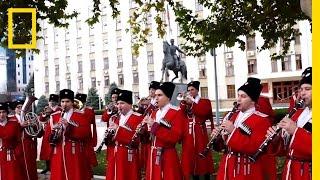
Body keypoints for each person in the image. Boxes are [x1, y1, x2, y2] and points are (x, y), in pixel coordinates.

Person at [212, 77, 271, 180]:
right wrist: (217, 138)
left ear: (252, 101)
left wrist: (233, 131)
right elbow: (224, 145)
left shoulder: (262, 120)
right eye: (238, 95)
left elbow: (255, 148)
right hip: (227, 165)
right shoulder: (231, 115)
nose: (238, 99)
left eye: (243, 96)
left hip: (245, 169)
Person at [267, 67, 312, 180]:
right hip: (291, 170)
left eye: (307, 89)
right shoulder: (298, 113)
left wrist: (295, 131)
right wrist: (276, 139)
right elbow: (287, 147)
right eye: (301, 89)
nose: (302, 93)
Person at [144, 82, 186, 180]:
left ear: (168, 97)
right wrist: (143, 131)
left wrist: (154, 126)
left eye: (160, 95)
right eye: (155, 95)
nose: (156, 98)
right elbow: (151, 135)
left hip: (167, 155)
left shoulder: (176, 112)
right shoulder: (154, 112)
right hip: (153, 154)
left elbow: (174, 137)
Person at [48, 89, 91, 180]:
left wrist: (68, 126)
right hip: (58, 152)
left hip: (74, 151)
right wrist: (54, 133)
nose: (64, 104)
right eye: (62, 101)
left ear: (72, 102)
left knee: (75, 175)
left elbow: (85, 133)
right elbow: (49, 138)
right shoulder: (55, 116)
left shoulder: (81, 115)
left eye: (67, 101)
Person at [179, 81, 214, 180]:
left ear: (197, 90)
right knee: (190, 155)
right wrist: (183, 102)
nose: (190, 92)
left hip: (200, 132)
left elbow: (202, 112)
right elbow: (181, 114)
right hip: (189, 133)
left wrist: (193, 103)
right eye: (188, 90)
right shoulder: (187, 102)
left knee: (202, 154)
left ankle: (206, 175)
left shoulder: (204, 101)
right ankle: (194, 175)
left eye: (192, 90)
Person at [107, 90, 144, 180]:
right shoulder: (114, 117)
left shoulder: (138, 117)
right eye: (118, 103)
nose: (119, 106)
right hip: (114, 154)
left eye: (122, 103)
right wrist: (108, 135)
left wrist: (118, 129)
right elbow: (109, 140)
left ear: (130, 104)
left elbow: (136, 140)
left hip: (128, 155)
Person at [13, 99, 38, 180]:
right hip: (17, 147)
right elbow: (10, 133)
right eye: (18, 107)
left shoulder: (30, 117)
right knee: (19, 170)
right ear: (15, 109)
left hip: (29, 147)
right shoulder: (11, 119)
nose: (21, 109)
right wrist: (20, 126)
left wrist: (35, 126)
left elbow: (40, 134)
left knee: (31, 169)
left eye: (22, 107)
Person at [75, 93, 98, 177]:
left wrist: (81, 112)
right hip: (75, 134)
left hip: (86, 135)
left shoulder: (89, 110)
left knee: (87, 154)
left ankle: (88, 172)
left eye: (81, 101)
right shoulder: (73, 110)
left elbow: (90, 121)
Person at [0, 102, 25, 180]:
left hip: (10, 154)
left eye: (3, 112)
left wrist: (16, 153)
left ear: (7, 112)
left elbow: (18, 140)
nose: (1, 114)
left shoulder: (14, 124)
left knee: (12, 175)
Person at [39, 94, 61, 174]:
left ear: (56, 102)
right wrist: (45, 113)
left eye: (53, 101)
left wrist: (51, 113)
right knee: (46, 150)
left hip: (55, 132)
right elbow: (41, 119)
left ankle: (54, 165)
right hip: (47, 132)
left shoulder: (59, 109)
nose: (51, 103)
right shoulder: (47, 109)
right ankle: (47, 167)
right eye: (50, 101)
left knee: (54, 150)